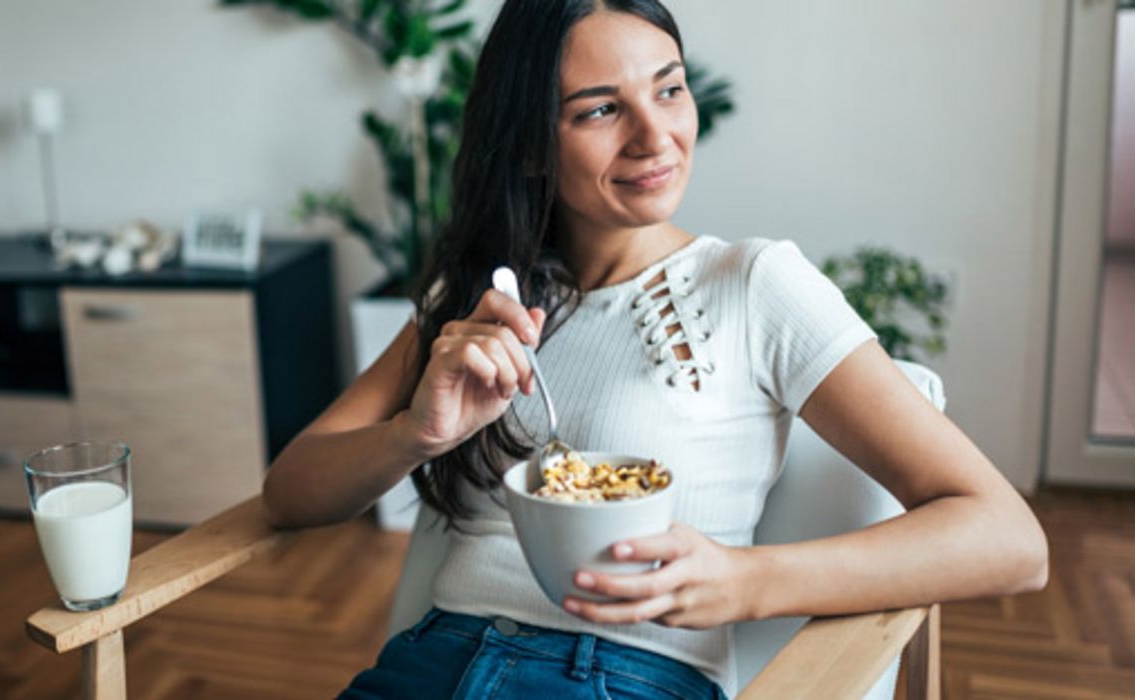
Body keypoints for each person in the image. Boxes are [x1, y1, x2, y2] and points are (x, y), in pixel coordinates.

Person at [263, 1, 1050, 698]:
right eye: (600, 109)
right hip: (423, 666)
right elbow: (290, 496)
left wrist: (748, 582)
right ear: (532, 145)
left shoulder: (752, 284)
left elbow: (1008, 542)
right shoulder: (476, 304)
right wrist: (417, 435)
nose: (654, 135)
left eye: (668, 88)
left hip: (617, 678)